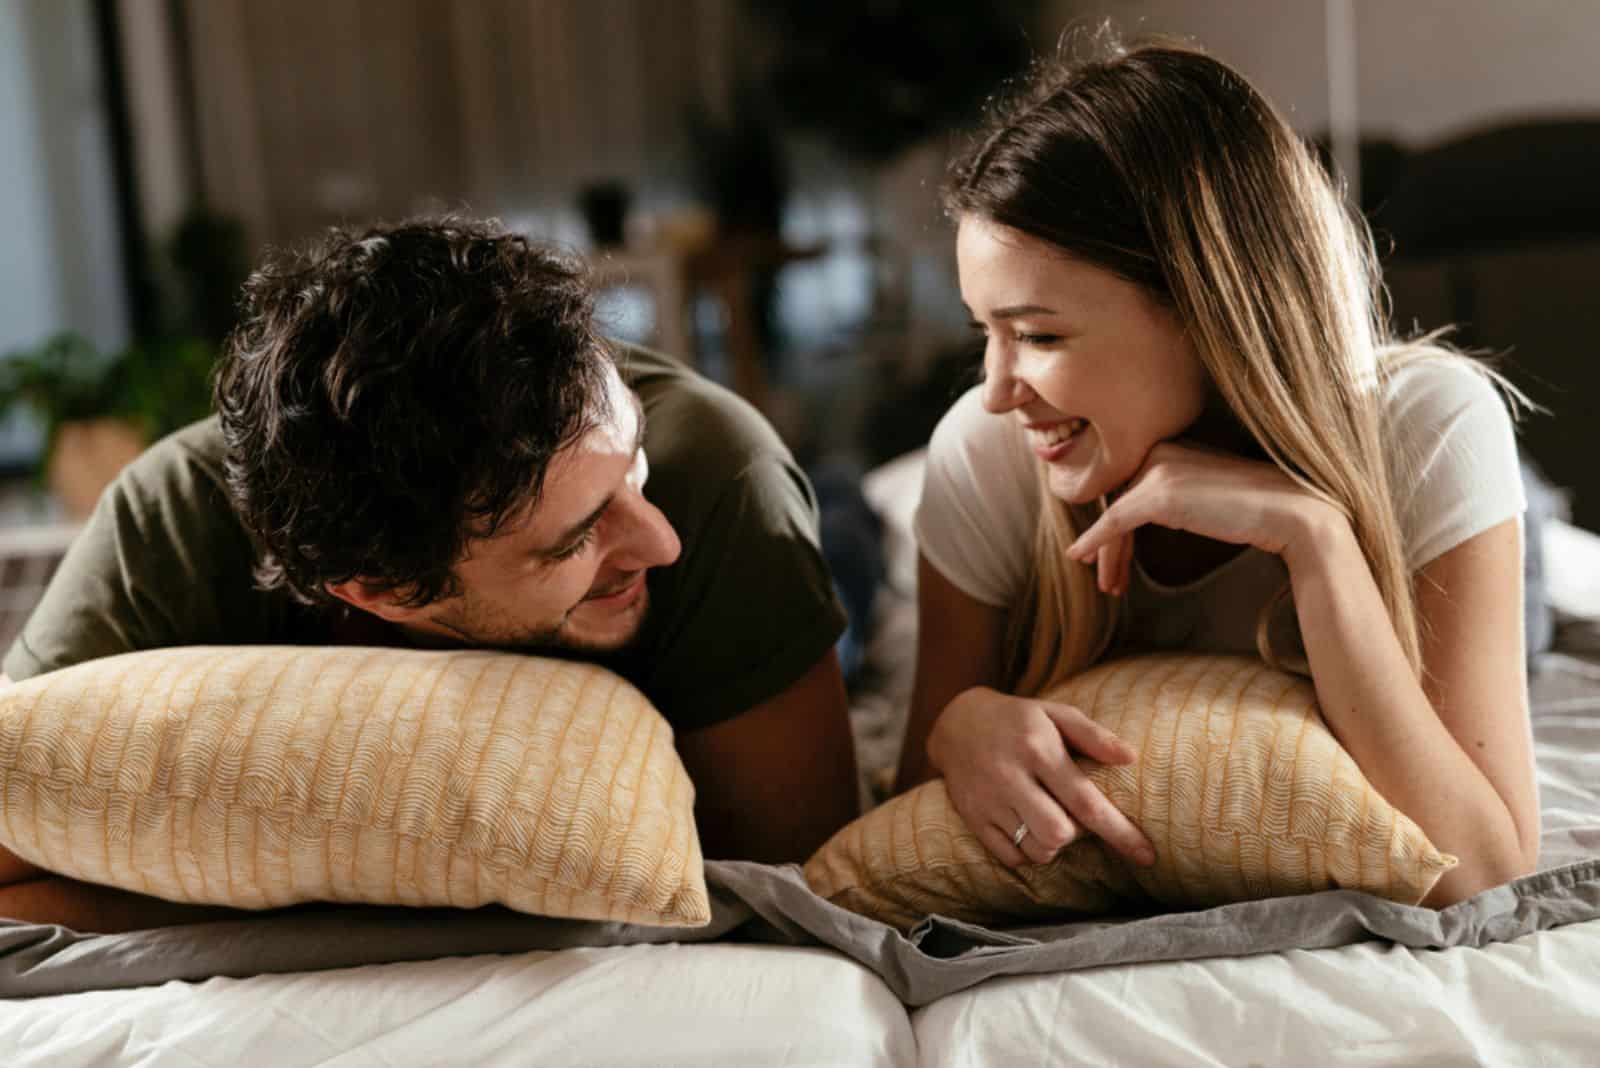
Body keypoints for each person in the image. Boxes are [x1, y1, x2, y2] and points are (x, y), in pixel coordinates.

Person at [0, 216, 860, 928]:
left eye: (628, 458)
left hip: (786, 553)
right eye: (572, 541)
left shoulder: (714, 480)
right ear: (379, 590)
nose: (658, 541)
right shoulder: (172, 521)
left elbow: (803, 888)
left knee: (857, 535)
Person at [893, 36, 1539, 908]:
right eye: (985, 333)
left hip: (1406, 490)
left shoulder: (1429, 430)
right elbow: (903, 814)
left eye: (1039, 336)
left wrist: (1317, 541)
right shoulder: (985, 448)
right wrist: (954, 731)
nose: (999, 390)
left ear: (1206, 308)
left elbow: (1485, 871)